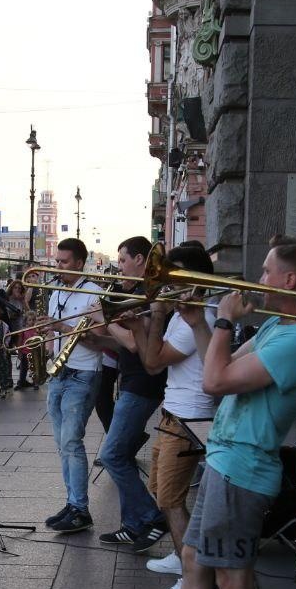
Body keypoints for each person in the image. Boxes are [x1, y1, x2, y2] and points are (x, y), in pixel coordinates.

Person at [121, 235, 296, 589]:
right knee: (194, 558)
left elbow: (214, 382)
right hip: (225, 454)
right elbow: (223, 365)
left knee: (236, 581)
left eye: (267, 271)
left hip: (244, 467)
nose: (257, 280)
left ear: (290, 280)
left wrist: (226, 322)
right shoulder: (279, 324)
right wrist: (198, 323)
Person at [125, 242, 222, 589]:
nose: (166, 285)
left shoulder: (200, 316)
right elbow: (150, 357)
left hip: (190, 417)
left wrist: (155, 317)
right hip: (174, 413)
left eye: (173, 276)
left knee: (171, 497)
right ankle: (183, 556)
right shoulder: (184, 315)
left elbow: (153, 363)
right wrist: (139, 325)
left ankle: (190, 577)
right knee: (159, 489)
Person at [94, 236, 169, 554]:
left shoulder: (145, 294)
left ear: (140, 260)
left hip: (143, 385)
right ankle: (133, 525)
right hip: (132, 381)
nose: (119, 266)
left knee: (111, 456)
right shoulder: (132, 295)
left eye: (123, 260)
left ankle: (151, 516)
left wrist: (103, 319)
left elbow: (136, 343)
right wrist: (93, 333)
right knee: (120, 456)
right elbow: (118, 343)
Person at [40, 238, 105, 534]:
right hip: (59, 372)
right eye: (57, 261)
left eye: (64, 262)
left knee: (71, 442)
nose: (58, 266)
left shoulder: (95, 294)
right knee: (61, 444)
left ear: (79, 263)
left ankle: (80, 508)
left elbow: (102, 339)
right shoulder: (57, 290)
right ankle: (71, 502)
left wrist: (62, 328)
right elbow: (55, 331)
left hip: (83, 372)